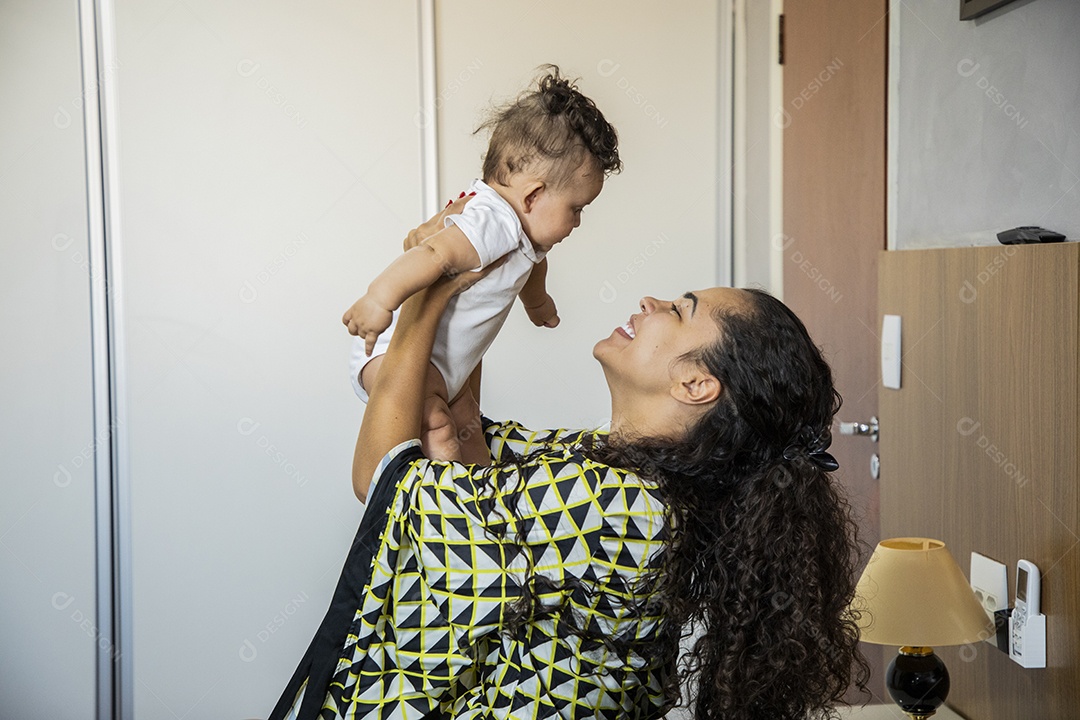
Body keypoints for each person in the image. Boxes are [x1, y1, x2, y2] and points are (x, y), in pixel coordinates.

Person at [270, 200, 870, 720]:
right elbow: (460, 423)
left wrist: (426, 297)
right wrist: (481, 292)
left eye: (679, 310)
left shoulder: (624, 505)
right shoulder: (600, 465)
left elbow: (383, 479)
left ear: (695, 384)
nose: (651, 301)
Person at [342, 66, 621, 465]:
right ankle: (439, 496)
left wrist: (537, 303)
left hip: (447, 367)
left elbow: (533, 268)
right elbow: (431, 253)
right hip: (396, 356)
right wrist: (379, 299)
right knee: (440, 429)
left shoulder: (521, 232)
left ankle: (484, 489)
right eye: (576, 209)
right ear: (533, 196)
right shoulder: (492, 222)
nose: (577, 222)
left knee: (468, 428)